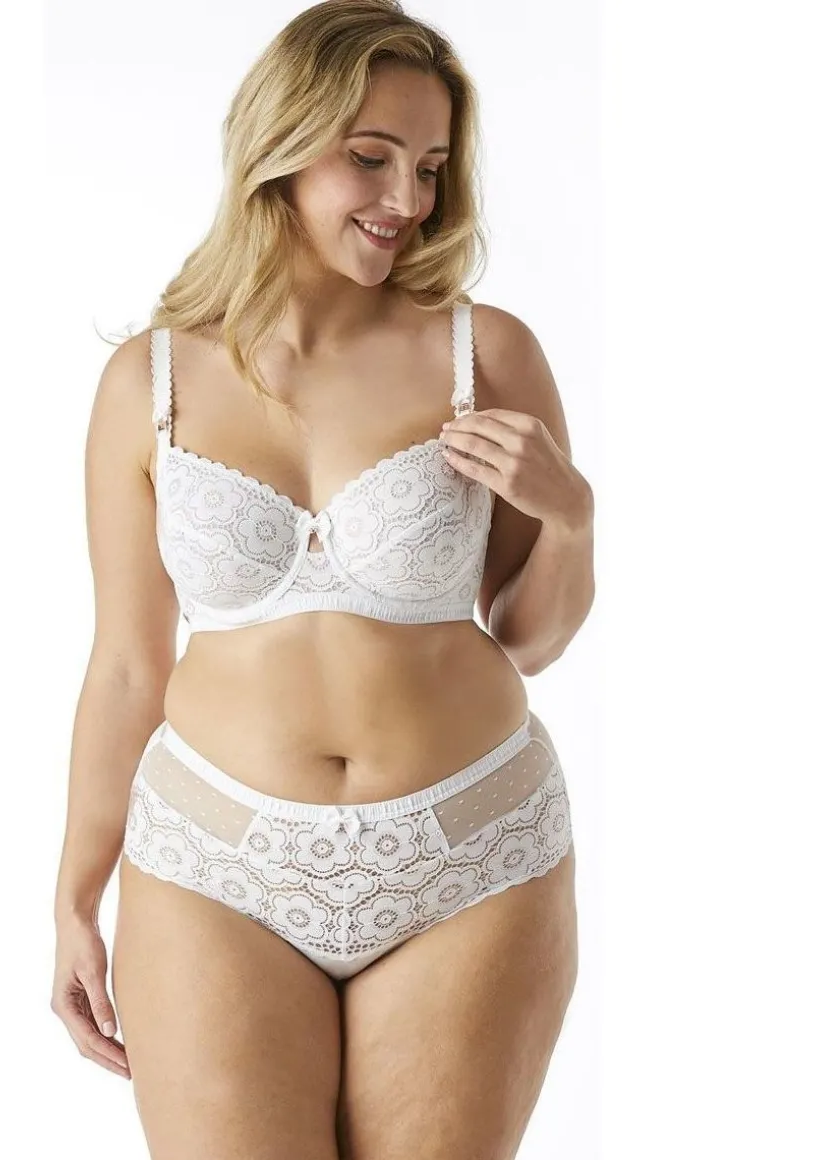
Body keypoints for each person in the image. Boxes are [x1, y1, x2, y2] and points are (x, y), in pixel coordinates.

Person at [51, 1, 595, 1156]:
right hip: (213, 864)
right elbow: (127, 663)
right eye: (371, 157)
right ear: (281, 145)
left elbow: (527, 635)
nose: (407, 199)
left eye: (430, 167)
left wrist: (569, 514)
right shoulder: (148, 381)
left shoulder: (483, 353)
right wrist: (73, 897)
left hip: (466, 853)